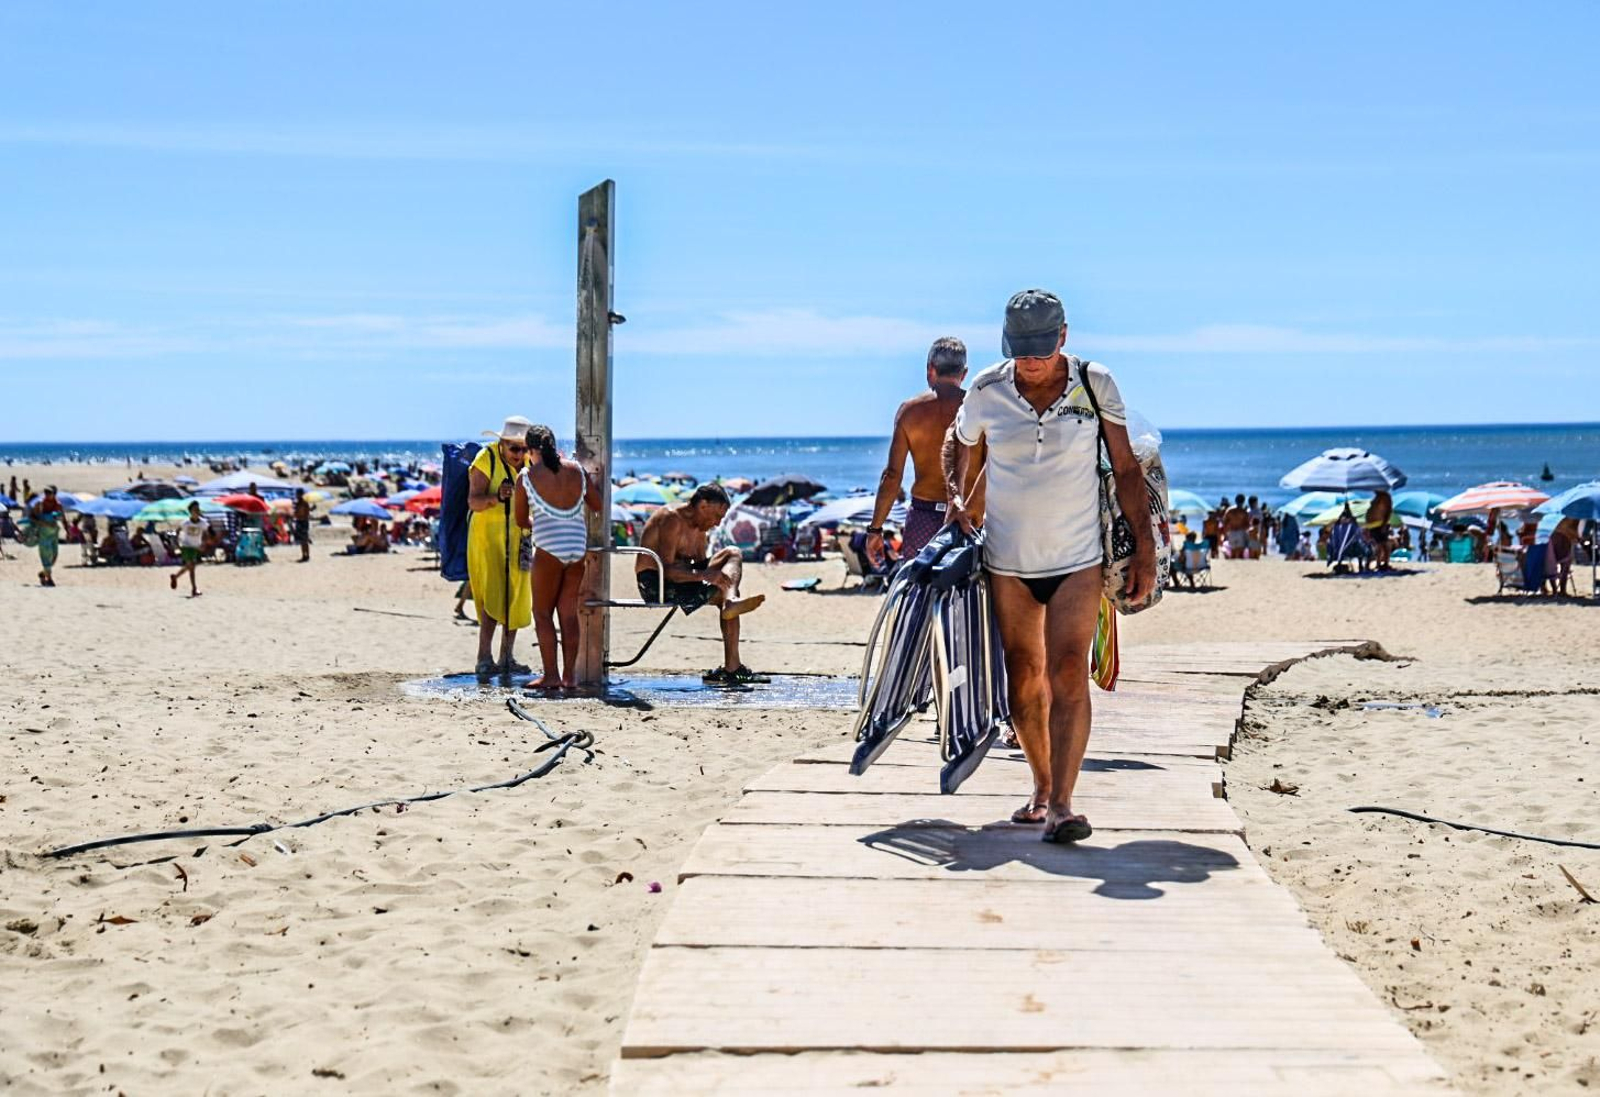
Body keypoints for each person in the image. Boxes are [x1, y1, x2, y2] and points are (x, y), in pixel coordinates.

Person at [942, 289, 1155, 844]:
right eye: (1022, 349)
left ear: (1063, 337)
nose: (1032, 360)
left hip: (1078, 558)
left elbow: (1128, 470)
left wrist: (1146, 550)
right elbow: (958, 443)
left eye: (1042, 347)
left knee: (1066, 671)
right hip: (1008, 561)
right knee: (1024, 675)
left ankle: (1063, 803)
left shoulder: (1094, 382)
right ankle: (1039, 788)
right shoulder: (988, 389)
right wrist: (956, 497)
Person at [865, 337, 983, 566]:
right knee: (977, 594)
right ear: (964, 372)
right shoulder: (978, 409)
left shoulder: (910, 412)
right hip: (970, 517)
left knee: (917, 592)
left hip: (923, 516)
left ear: (930, 370)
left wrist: (875, 529)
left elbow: (892, 476)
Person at [636, 483, 766, 685]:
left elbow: (698, 567)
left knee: (732, 553)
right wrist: (705, 575)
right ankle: (732, 661)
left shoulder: (700, 530)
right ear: (703, 505)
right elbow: (668, 570)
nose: (716, 524)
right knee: (721, 585)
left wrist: (710, 576)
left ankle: (731, 603)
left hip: (682, 579)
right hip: (656, 581)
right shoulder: (671, 518)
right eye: (717, 517)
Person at [513, 424, 603, 691]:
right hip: (576, 546)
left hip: (549, 549)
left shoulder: (526, 477)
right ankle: (570, 677)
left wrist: (541, 519)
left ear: (530, 450)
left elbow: (521, 521)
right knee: (568, 614)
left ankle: (551, 676)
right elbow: (597, 505)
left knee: (542, 614)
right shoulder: (576, 469)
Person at [467, 416, 535, 680]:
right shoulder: (486, 459)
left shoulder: (530, 463)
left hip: (520, 536)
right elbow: (473, 501)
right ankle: (484, 657)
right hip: (488, 537)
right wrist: (496, 497)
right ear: (502, 443)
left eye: (524, 449)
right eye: (514, 448)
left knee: (516, 595)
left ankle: (507, 656)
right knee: (492, 596)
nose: (519, 455)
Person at [28, 486, 65, 586]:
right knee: (46, 556)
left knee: (54, 556)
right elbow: (31, 517)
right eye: (46, 493)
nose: (48, 495)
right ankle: (49, 579)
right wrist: (42, 522)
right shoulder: (40, 504)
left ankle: (43, 573)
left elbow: (63, 518)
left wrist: (67, 529)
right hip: (43, 533)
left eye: (50, 493)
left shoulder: (58, 505)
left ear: (54, 494)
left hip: (54, 533)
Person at [170, 500, 206, 597]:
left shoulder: (203, 523)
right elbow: (177, 531)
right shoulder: (186, 523)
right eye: (195, 510)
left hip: (195, 546)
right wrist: (177, 543)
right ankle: (194, 589)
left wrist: (204, 544)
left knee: (189, 567)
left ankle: (175, 576)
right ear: (191, 512)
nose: (197, 512)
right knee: (192, 566)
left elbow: (206, 533)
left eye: (198, 510)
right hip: (186, 546)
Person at [1365, 489, 1394, 569]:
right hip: (1372, 525)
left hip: (1380, 524)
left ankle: (1384, 563)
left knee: (1383, 545)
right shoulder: (1377, 497)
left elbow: (1388, 511)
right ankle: (1378, 564)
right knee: (1377, 545)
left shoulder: (1385, 497)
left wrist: (1384, 525)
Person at [1221, 494, 1249, 558]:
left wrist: (1225, 533)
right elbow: (1247, 524)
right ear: (1243, 501)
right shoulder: (1244, 511)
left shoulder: (1229, 510)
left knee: (1232, 550)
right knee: (1241, 551)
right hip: (1241, 532)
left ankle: (1233, 564)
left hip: (1231, 531)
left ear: (1235, 500)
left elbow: (1225, 522)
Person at [293, 489, 313, 562]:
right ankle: (303, 555)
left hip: (303, 522)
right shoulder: (297, 503)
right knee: (302, 540)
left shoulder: (304, 503)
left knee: (304, 540)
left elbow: (307, 513)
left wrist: (301, 516)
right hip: (299, 521)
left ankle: (307, 555)